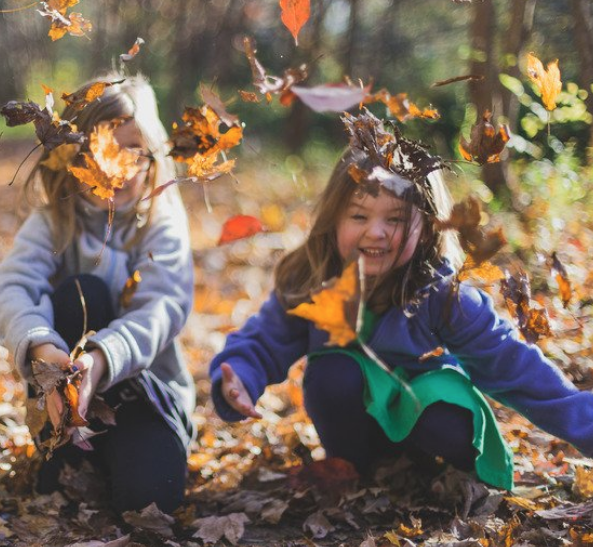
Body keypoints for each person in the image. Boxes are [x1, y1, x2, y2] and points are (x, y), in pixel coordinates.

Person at [209, 113, 593, 490]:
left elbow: (515, 366)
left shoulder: (444, 294)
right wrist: (241, 376)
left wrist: (585, 426)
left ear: (426, 227)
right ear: (334, 219)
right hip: (356, 427)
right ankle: (355, 467)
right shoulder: (313, 279)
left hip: (429, 418)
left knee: (443, 414)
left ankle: (435, 472)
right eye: (358, 215)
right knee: (332, 373)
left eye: (394, 219)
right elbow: (264, 340)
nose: (375, 232)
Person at [0, 74, 194, 513]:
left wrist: (100, 361)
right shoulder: (53, 223)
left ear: (152, 156)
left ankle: (131, 456)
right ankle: (66, 449)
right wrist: (43, 349)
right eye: (99, 150)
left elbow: (162, 307)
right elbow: (13, 288)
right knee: (82, 291)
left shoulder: (160, 223)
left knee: (151, 502)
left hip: (144, 398)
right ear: (71, 156)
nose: (115, 168)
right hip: (62, 400)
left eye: (131, 152)